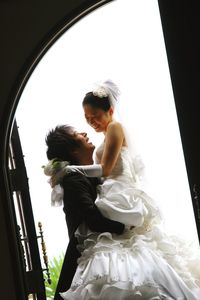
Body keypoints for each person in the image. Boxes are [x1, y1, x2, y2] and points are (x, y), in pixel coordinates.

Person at [44, 81, 200, 299]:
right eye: (87, 119)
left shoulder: (115, 128)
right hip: (111, 195)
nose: (90, 125)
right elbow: (92, 213)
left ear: (110, 110)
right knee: (127, 253)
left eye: (95, 116)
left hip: (121, 192)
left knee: (134, 251)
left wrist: (69, 170)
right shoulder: (81, 174)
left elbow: (106, 169)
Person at [44, 125, 125, 300]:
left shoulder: (92, 174)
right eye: (77, 134)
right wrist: (125, 228)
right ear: (73, 150)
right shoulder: (73, 179)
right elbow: (93, 219)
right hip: (90, 262)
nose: (84, 133)